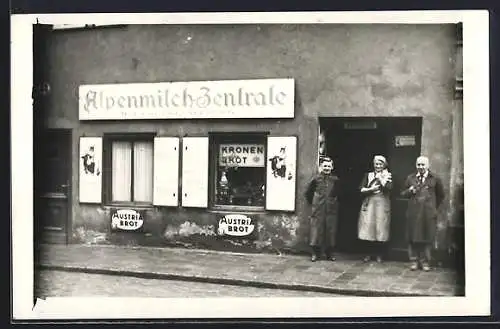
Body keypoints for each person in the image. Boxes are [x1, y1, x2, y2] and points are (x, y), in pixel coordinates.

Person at [401, 156, 445, 271]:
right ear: (416, 165)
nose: (420, 167)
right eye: (418, 164)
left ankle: (425, 262)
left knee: (427, 237)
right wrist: (409, 191)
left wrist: (432, 207)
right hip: (413, 213)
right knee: (412, 238)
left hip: (427, 213)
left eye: (423, 165)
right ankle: (414, 261)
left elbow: (441, 195)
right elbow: (403, 193)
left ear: (428, 165)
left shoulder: (435, 178)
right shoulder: (410, 178)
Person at [357, 155, 393, 263]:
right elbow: (361, 188)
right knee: (368, 227)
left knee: (381, 228)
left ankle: (379, 254)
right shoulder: (368, 175)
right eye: (376, 164)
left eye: (380, 164)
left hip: (382, 203)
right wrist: (370, 189)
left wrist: (383, 181)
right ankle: (368, 254)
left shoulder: (388, 175)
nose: (378, 166)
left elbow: (390, 188)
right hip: (370, 203)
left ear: (384, 165)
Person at [305, 157, 340, 262]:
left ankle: (329, 253)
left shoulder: (335, 180)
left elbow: (339, 193)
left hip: (331, 209)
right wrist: (315, 203)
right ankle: (315, 253)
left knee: (330, 230)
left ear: (332, 167)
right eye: (325, 166)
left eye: (329, 166)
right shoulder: (316, 179)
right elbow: (308, 194)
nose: (327, 168)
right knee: (316, 230)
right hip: (318, 209)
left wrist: (333, 201)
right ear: (321, 167)